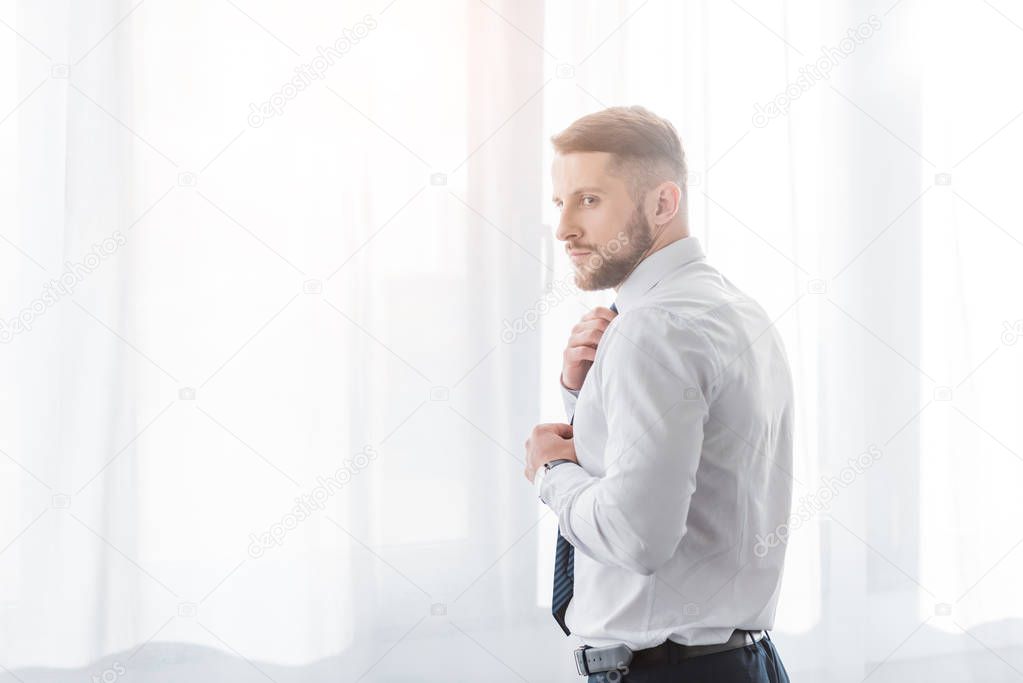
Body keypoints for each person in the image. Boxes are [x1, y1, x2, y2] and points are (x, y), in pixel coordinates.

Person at [524, 106, 794, 682]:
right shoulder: (737, 310)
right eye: (560, 202)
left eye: (590, 200)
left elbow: (634, 537)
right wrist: (585, 393)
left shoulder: (650, 328)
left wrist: (550, 472)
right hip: (738, 664)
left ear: (663, 204)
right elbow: (693, 469)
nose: (565, 227)